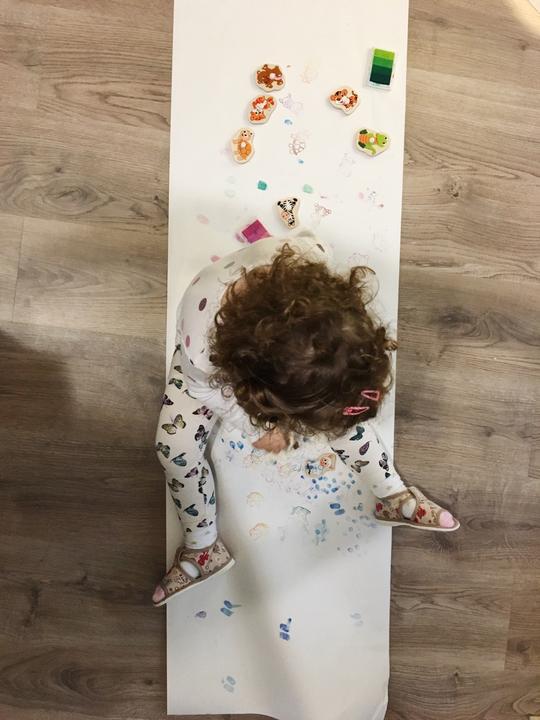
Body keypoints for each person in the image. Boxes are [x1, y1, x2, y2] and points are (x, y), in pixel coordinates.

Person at [152, 231, 459, 607]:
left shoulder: (308, 259)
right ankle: (202, 548)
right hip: (216, 377)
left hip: (279, 371)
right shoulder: (200, 347)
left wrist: (340, 394)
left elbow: (313, 244)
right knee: (173, 448)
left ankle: (391, 494)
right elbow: (205, 391)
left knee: (342, 418)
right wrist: (255, 425)